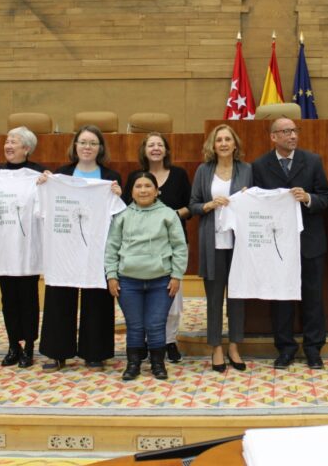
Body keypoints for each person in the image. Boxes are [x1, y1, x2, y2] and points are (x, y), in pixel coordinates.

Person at [38, 125, 123, 371]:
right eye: (83, 142)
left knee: (97, 297)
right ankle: (57, 352)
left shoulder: (110, 176)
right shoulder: (59, 175)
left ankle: (94, 352)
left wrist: (118, 194)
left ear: (100, 148)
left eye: (93, 143)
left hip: (97, 246)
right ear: (75, 146)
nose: (87, 147)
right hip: (64, 246)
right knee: (59, 296)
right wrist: (44, 184)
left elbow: (120, 211)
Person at [252, 117, 328, 369]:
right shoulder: (260, 165)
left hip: (309, 241)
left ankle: (313, 349)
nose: (293, 136)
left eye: (294, 131)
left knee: (313, 297)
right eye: (286, 132)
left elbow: (326, 198)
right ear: (273, 136)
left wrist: (308, 198)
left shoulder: (312, 160)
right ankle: (285, 348)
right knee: (281, 299)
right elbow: (256, 202)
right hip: (277, 244)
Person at [105, 172, 188, 381]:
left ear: (156, 190)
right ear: (131, 191)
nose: (143, 190)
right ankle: (133, 364)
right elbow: (111, 247)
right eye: (138, 186)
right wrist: (111, 275)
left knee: (155, 323)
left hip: (161, 280)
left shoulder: (168, 215)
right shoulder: (122, 216)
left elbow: (179, 247)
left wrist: (176, 275)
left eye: (148, 186)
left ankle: (157, 363)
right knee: (134, 325)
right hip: (128, 281)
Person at [0, 126, 45, 369]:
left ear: (26, 148)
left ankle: (29, 347)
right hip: (3, 247)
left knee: (28, 298)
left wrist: (48, 183)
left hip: (27, 248)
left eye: (14, 141)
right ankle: (13, 344)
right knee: (9, 299)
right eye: (7, 140)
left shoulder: (37, 174)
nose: (8, 145)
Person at [122, 132, 191, 364]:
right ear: (144, 150)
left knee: (170, 301)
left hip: (170, 245)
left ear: (166, 150)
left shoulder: (179, 174)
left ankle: (169, 341)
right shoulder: (135, 176)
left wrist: (169, 216)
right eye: (150, 145)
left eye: (159, 144)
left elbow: (190, 206)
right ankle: (141, 343)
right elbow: (125, 207)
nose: (155, 148)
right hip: (140, 249)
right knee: (142, 303)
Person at [189, 124, 251, 372]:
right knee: (214, 298)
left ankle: (235, 345)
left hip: (239, 243)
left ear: (235, 144)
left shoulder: (247, 170)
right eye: (219, 140)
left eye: (228, 139)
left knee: (237, 297)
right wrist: (209, 205)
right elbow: (193, 205)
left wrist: (248, 196)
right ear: (212, 146)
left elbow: (255, 201)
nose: (223, 143)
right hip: (212, 242)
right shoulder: (204, 171)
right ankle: (215, 347)